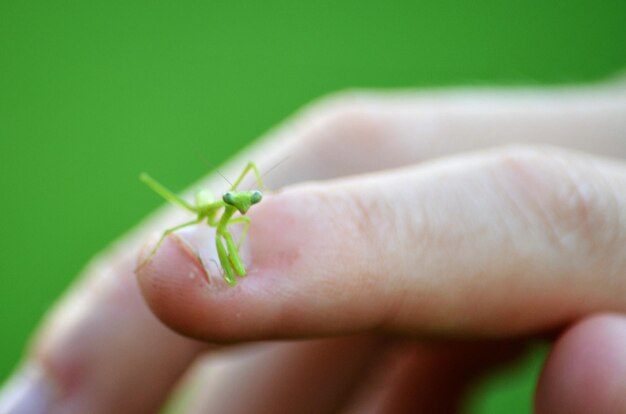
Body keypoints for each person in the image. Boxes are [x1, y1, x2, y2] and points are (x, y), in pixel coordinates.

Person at [1, 80, 625, 414]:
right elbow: (215, 228)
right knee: (179, 246)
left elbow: (246, 212)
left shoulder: (243, 210)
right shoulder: (219, 219)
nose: (247, 209)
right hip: (192, 222)